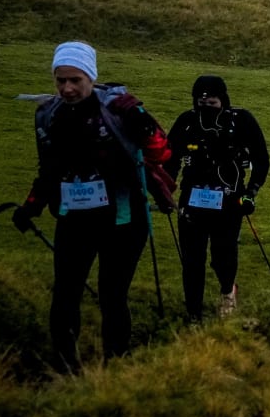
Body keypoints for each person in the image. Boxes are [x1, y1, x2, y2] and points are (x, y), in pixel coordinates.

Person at [13, 41, 177, 372]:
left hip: (123, 220)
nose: (67, 88)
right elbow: (48, 170)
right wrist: (30, 206)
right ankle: (65, 368)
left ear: (91, 77)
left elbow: (162, 153)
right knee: (65, 295)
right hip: (73, 219)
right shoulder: (48, 115)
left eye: (76, 80)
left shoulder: (119, 109)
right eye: (61, 81)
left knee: (112, 294)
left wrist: (143, 123)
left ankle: (114, 367)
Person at [166, 74, 270, 320]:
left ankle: (227, 291)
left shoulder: (242, 120)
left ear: (222, 99)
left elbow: (261, 158)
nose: (206, 107)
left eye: (212, 103)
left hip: (229, 201)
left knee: (223, 255)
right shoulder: (187, 121)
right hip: (192, 201)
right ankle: (193, 311)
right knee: (192, 259)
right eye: (201, 103)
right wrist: (165, 188)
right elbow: (170, 157)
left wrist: (251, 192)